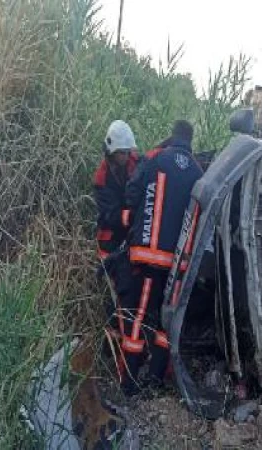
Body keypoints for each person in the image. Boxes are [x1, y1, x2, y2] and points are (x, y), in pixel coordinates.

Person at [119, 120, 203, 396]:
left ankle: (129, 382)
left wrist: (133, 220)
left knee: (139, 315)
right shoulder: (197, 172)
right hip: (179, 264)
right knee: (166, 322)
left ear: (172, 135)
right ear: (190, 141)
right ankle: (156, 378)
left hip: (148, 257)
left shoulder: (156, 157)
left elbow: (132, 191)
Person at [93, 120, 141, 386]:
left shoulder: (134, 161)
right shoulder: (102, 177)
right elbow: (109, 215)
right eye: (122, 153)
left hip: (129, 241)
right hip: (110, 244)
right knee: (115, 298)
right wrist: (132, 216)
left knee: (129, 291)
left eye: (127, 152)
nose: (126, 157)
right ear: (112, 152)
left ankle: (122, 343)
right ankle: (110, 350)